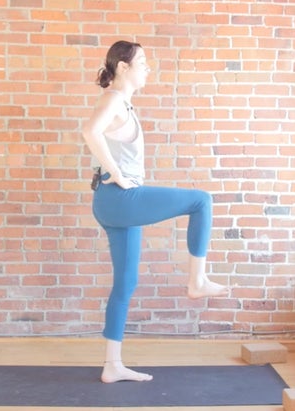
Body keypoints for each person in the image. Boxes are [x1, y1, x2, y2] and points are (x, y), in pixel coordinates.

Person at [81, 40, 230, 384]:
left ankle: (112, 365)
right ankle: (197, 280)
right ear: (122, 67)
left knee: (126, 283)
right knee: (201, 201)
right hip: (118, 199)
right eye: (142, 63)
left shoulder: (125, 104)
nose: (148, 68)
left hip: (112, 204)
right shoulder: (114, 98)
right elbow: (90, 131)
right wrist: (116, 175)